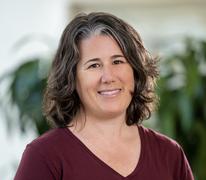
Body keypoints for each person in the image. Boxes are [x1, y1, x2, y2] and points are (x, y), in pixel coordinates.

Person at [14, 12, 194, 180]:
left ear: (135, 71)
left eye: (118, 61)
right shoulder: (44, 156)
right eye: (94, 65)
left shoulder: (170, 155)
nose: (108, 77)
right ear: (72, 78)